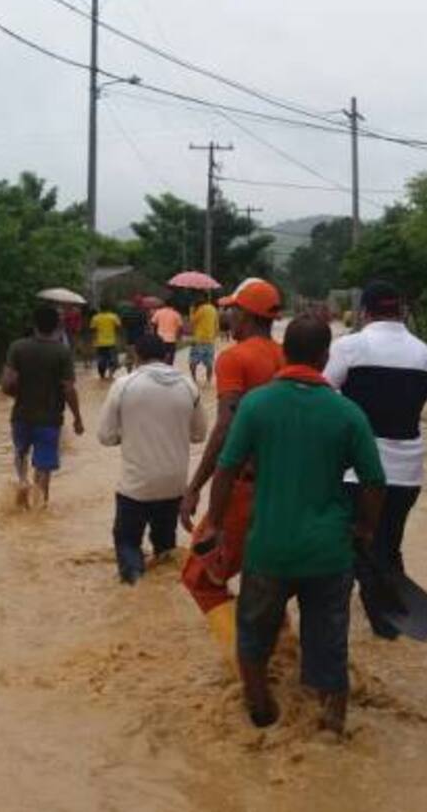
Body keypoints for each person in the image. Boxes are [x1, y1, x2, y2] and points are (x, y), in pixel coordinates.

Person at [205, 315, 385, 733]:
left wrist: (215, 523)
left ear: (285, 353)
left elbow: (226, 469)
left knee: (253, 634)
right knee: (328, 642)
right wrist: (365, 528)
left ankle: (260, 708)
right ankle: (331, 723)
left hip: (268, 547)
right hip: (329, 552)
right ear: (324, 358)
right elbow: (375, 482)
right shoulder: (347, 413)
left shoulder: (256, 405)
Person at [323, 279, 427, 639]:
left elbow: (320, 397)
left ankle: (377, 623)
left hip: (356, 473)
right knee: (387, 543)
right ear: (401, 311)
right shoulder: (426, 354)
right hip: (407, 474)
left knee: (354, 546)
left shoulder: (348, 348)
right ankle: (394, 617)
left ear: (364, 312)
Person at [179, 278, 285, 649]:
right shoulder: (286, 355)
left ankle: (244, 668)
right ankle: (283, 655)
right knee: (268, 582)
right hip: (284, 488)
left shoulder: (235, 358)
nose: (227, 315)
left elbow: (226, 426)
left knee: (201, 578)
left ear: (246, 314)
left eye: (232, 309)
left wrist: (195, 487)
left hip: (245, 488)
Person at [98, 334, 207, 584]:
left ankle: (135, 585)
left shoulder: (124, 385)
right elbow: (199, 434)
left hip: (135, 487)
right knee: (166, 550)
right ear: (168, 356)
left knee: (127, 542)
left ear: (136, 356)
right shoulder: (188, 386)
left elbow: (105, 436)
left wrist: (128, 436)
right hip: (174, 485)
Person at [1, 305, 85, 507]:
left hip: (21, 414)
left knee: (21, 452)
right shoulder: (61, 352)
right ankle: (40, 505)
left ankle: (22, 482)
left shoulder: (18, 347)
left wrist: (18, 394)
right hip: (49, 418)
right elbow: (68, 389)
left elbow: (7, 383)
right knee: (43, 465)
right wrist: (77, 417)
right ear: (57, 326)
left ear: (34, 324)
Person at [189, 295, 220, 385]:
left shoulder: (200, 309)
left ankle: (194, 379)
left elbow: (192, 321)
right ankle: (208, 380)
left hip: (199, 339)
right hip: (210, 340)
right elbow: (217, 326)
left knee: (193, 360)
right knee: (209, 362)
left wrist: (191, 310)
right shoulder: (213, 309)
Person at [90, 303, 123, 379]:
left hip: (99, 342)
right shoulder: (113, 316)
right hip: (111, 342)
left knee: (101, 359)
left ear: (100, 308)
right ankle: (111, 375)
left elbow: (92, 329)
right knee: (113, 360)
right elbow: (119, 327)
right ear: (109, 308)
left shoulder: (95, 318)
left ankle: (102, 376)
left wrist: (94, 338)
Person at [151, 301, 183, 366]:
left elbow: (153, 323)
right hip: (171, 339)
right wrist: (178, 337)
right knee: (170, 357)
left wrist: (154, 334)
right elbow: (180, 327)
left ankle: (161, 369)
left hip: (160, 339)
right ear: (173, 306)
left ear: (165, 305)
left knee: (160, 356)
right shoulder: (176, 314)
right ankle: (168, 369)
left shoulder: (158, 312)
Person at [119, 302, 149, 373]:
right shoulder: (142, 314)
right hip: (140, 339)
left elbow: (122, 325)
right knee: (139, 357)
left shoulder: (126, 314)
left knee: (129, 357)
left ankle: (129, 373)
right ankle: (139, 373)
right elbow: (146, 325)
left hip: (129, 339)